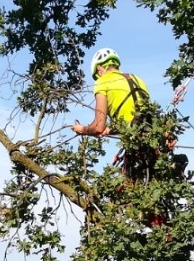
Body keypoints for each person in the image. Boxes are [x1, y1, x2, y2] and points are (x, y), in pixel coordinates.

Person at [71, 48, 183, 184]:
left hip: (135, 143)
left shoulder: (102, 81)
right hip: (152, 137)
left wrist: (82, 130)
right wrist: (111, 130)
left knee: (129, 189)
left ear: (100, 68)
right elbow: (139, 116)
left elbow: (98, 126)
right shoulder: (137, 79)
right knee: (154, 182)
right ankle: (173, 168)